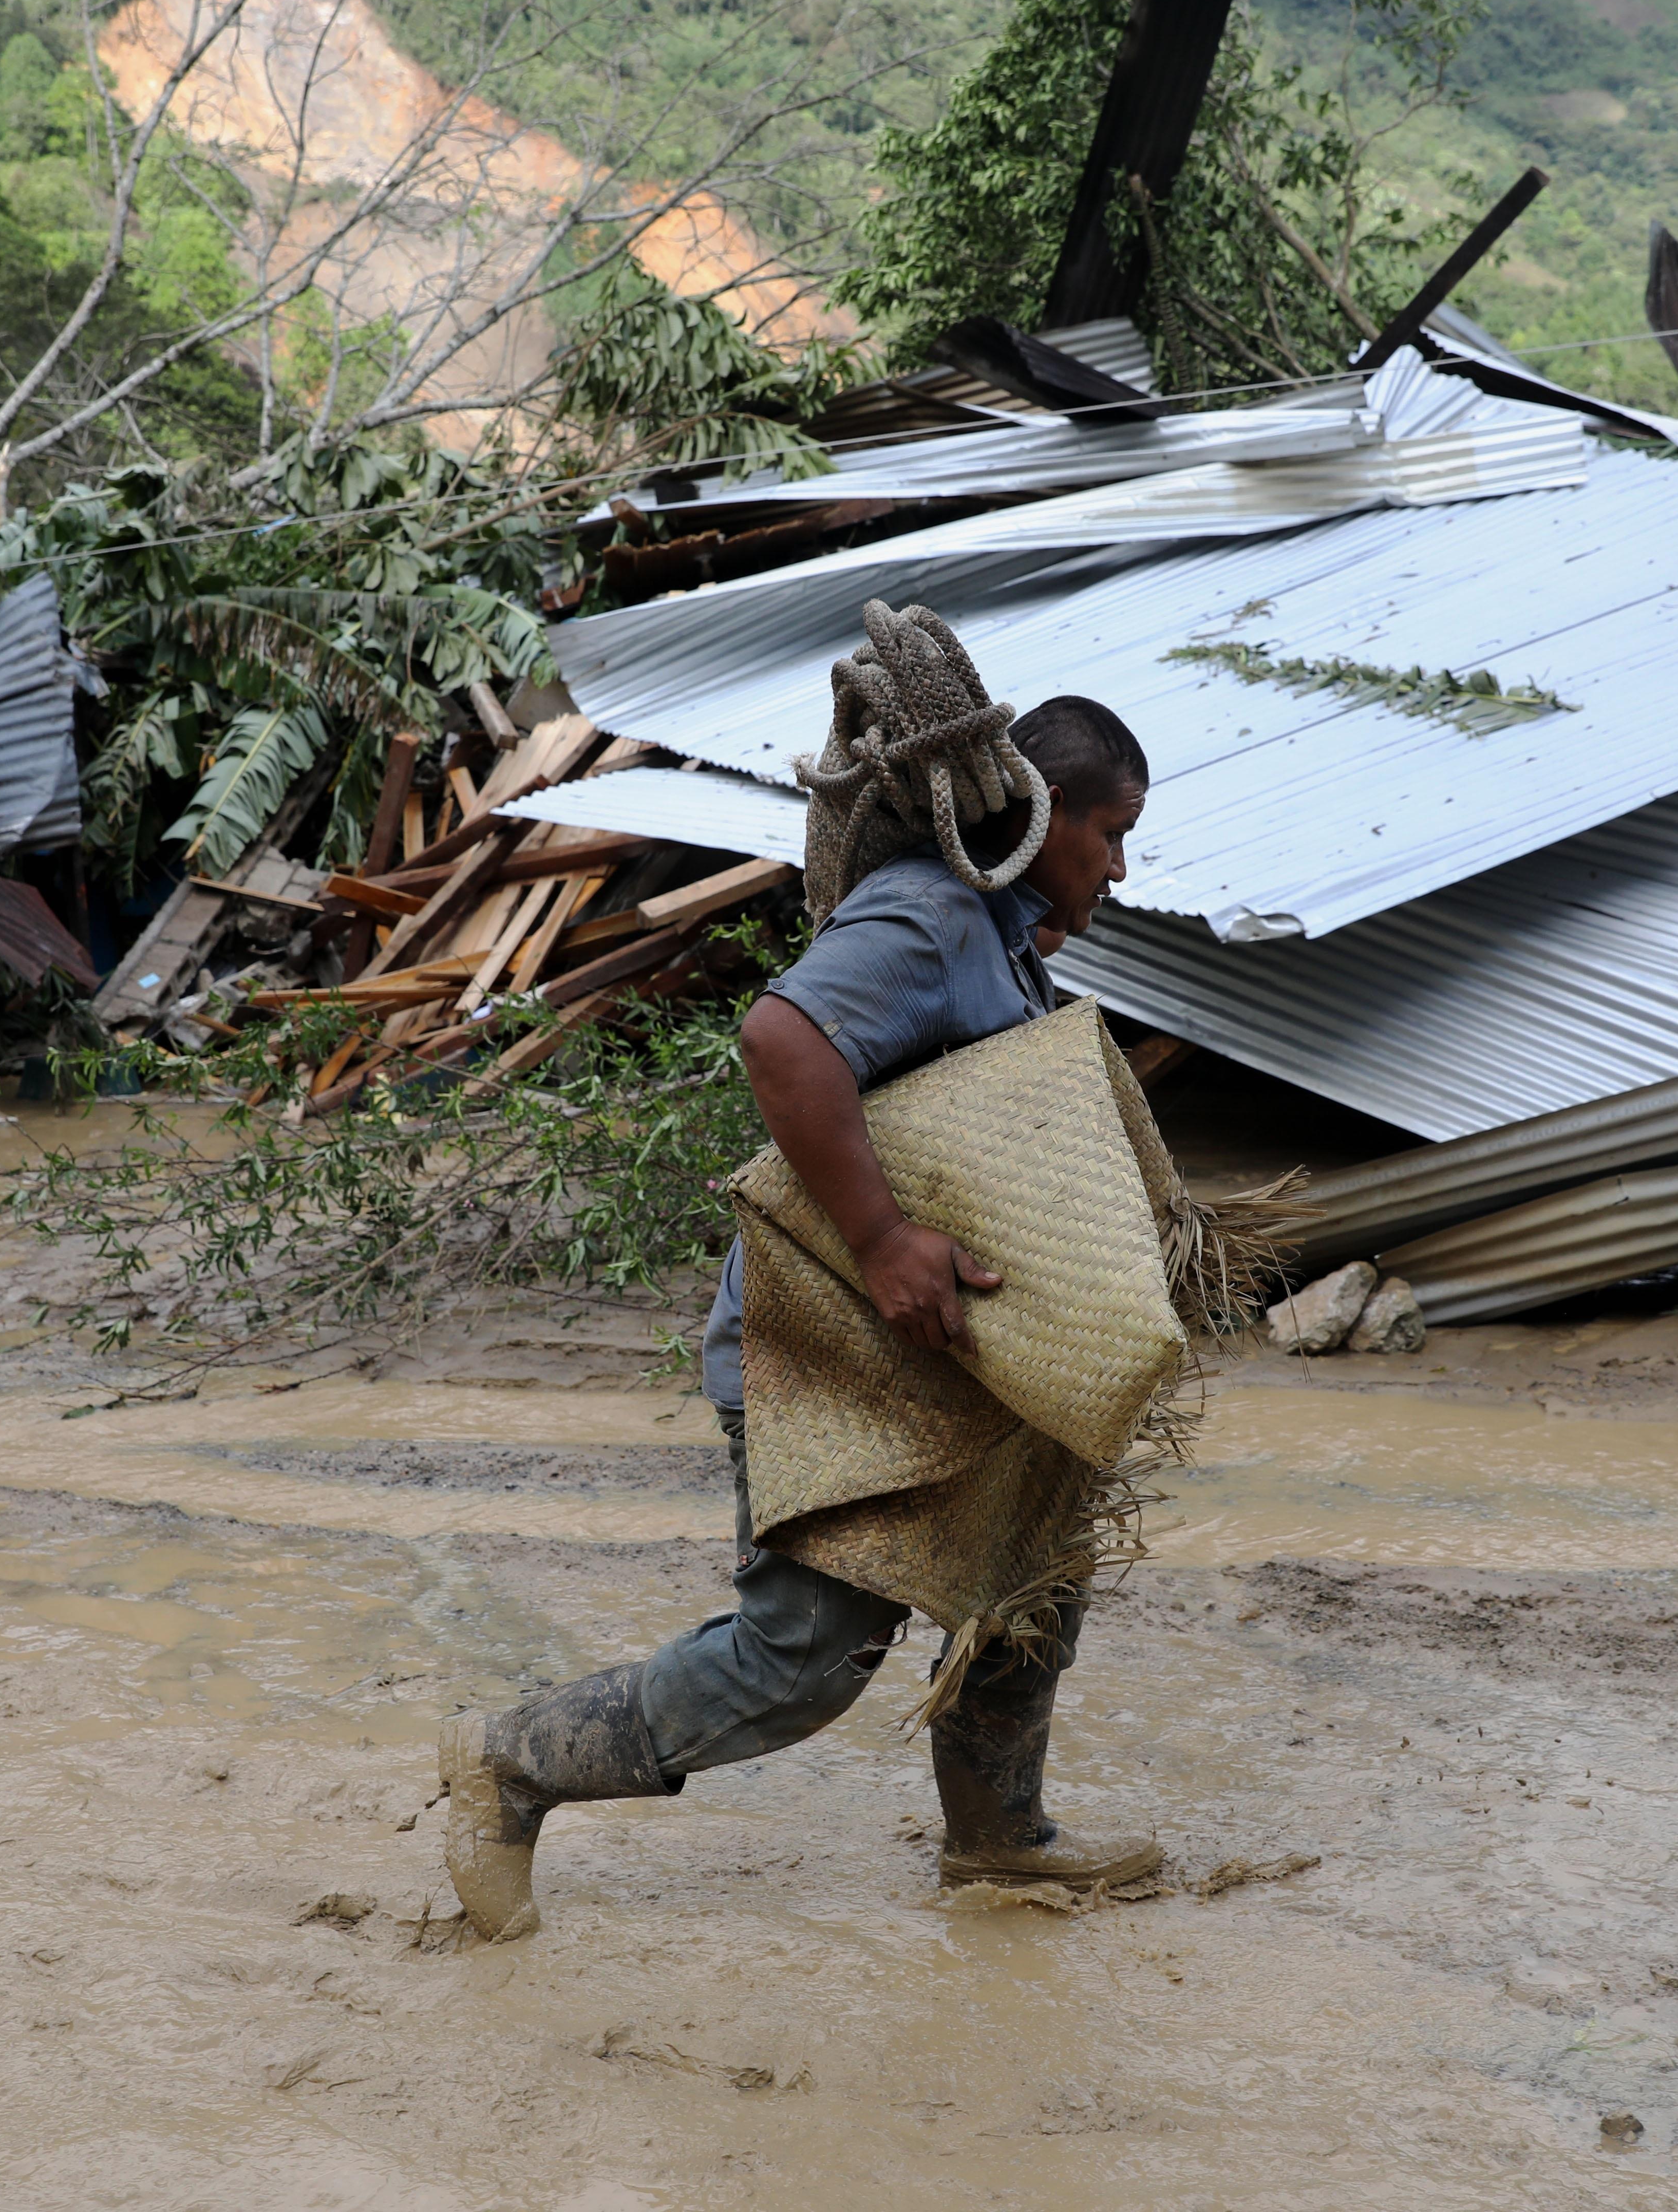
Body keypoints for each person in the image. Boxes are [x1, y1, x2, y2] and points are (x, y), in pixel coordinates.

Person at [438, 685, 1159, 1942]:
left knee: (1030, 1572)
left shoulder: (998, 945)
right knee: (803, 1657)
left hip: (929, 1361)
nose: (1122, 865)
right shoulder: (934, 918)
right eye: (1114, 833)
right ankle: (511, 1763)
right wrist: (883, 1238)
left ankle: (1002, 1836)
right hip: (824, 1354)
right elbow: (781, 1041)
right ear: (1046, 823)